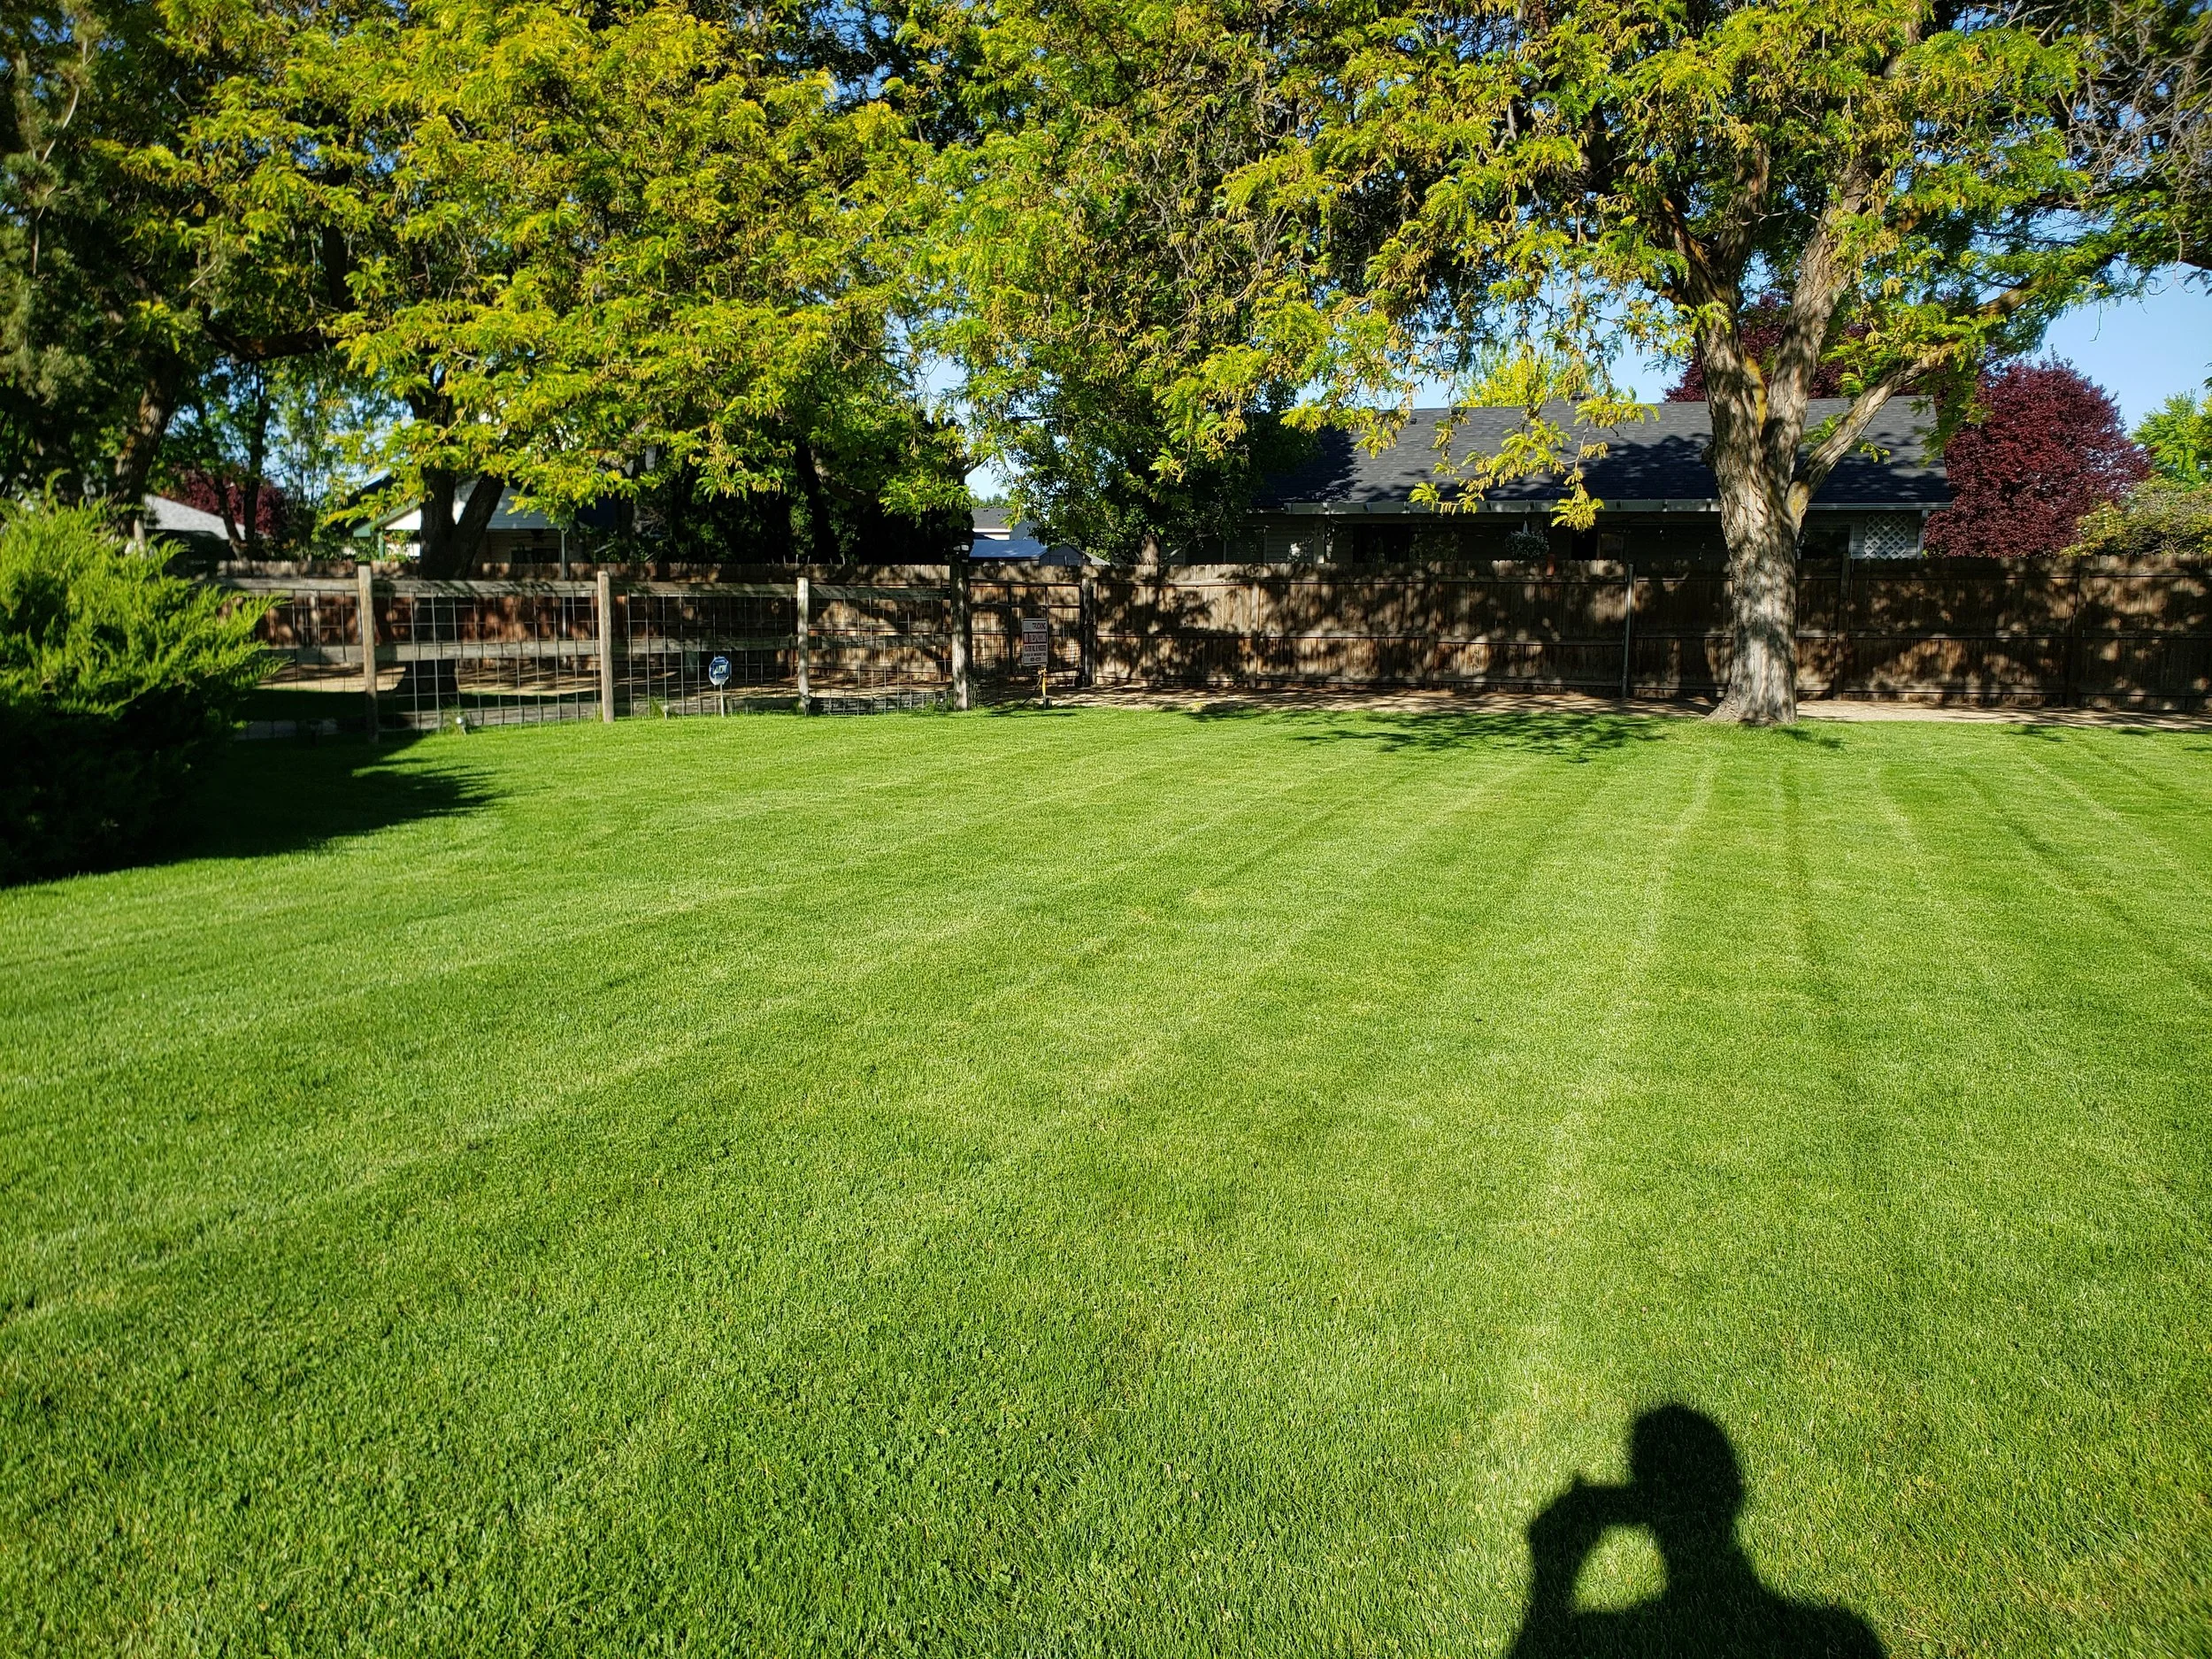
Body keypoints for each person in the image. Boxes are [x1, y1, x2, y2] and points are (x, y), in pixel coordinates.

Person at [1508, 1405, 1883, 1658]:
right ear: (1735, 1492)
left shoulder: (1596, 1637)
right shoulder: (1845, 1636)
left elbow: (1540, 1640)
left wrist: (1549, 1572)